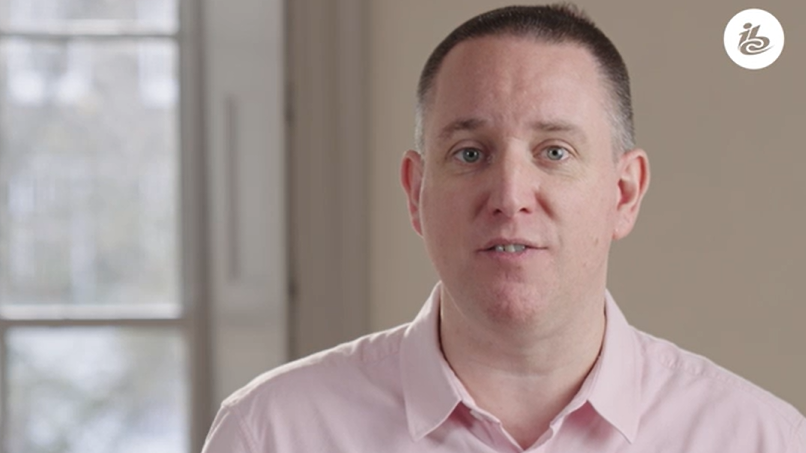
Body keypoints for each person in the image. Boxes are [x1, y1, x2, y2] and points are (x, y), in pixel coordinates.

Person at [201, 4, 805, 452]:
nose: (510, 196)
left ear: (623, 193)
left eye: (555, 152)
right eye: (470, 153)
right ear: (416, 192)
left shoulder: (761, 440)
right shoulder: (271, 434)